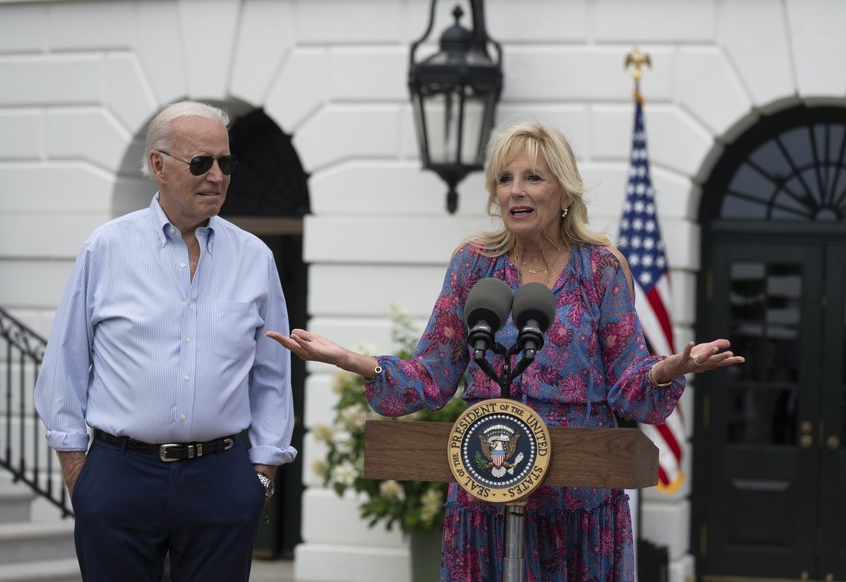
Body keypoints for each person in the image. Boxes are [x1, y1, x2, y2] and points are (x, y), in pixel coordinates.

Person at [267, 121, 744, 581]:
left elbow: (627, 385)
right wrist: (353, 360)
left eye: (532, 177)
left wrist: (668, 369)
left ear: (564, 191)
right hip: (487, 490)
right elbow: (433, 375)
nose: (515, 190)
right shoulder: (474, 263)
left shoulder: (600, 268)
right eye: (504, 179)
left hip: (578, 501)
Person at [34, 100, 297, 582]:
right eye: (201, 163)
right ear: (158, 165)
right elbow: (65, 366)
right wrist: (81, 477)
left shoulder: (255, 258)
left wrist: (259, 477)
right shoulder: (106, 248)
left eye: (226, 162)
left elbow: (272, 376)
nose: (217, 175)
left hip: (222, 477)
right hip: (120, 475)